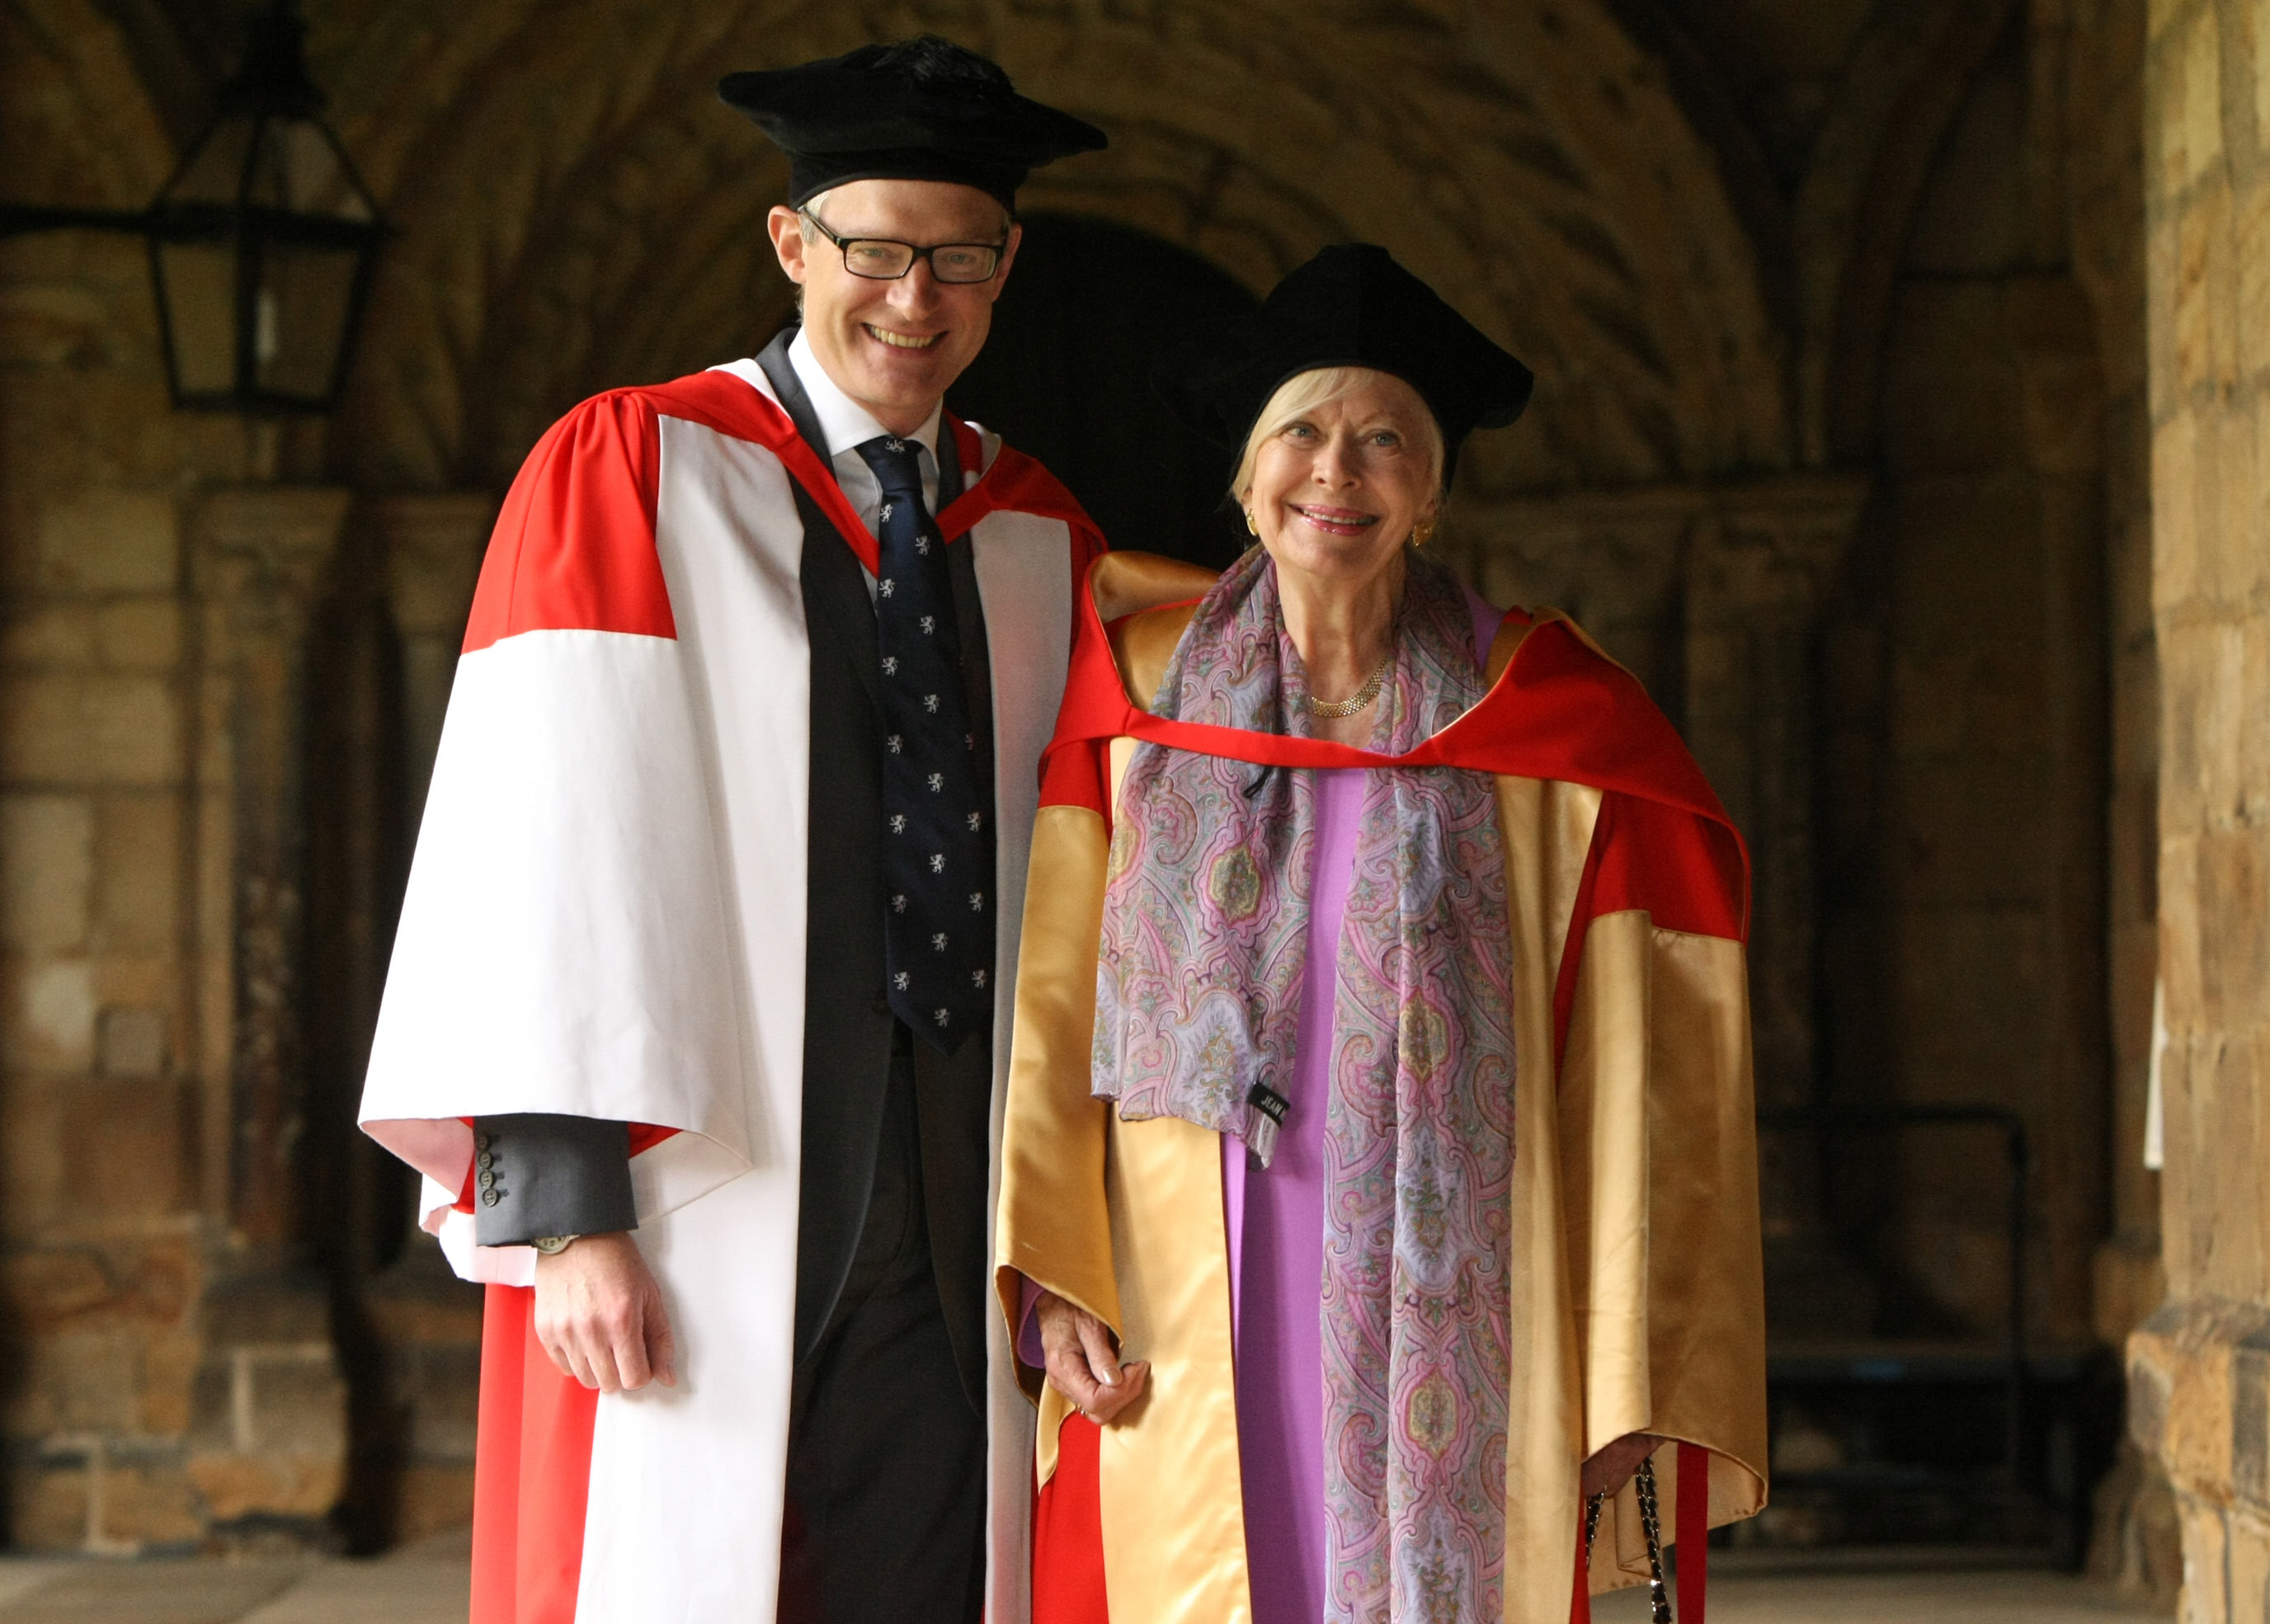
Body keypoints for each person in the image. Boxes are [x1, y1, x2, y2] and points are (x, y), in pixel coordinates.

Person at [357, 36, 1108, 1624]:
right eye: (877, 251)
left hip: (963, 1184)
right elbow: (539, 843)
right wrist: (564, 1212)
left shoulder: (1040, 531)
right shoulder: (633, 467)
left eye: (958, 260)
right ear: (793, 246)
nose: (915, 299)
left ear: (1006, 266)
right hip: (704, 1187)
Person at [994, 243, 1768, 1624]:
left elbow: (1654, 1077)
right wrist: (1053, 1272)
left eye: (1383, 441)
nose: (1335, 473)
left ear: (1433, 492)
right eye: (1300, 432)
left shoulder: (1548, 722)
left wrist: (1628, 1362)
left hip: (1472, 1293)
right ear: (1245, 478)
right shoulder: (1134, 701)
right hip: (1199, 1282)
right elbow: (1048, 1012)